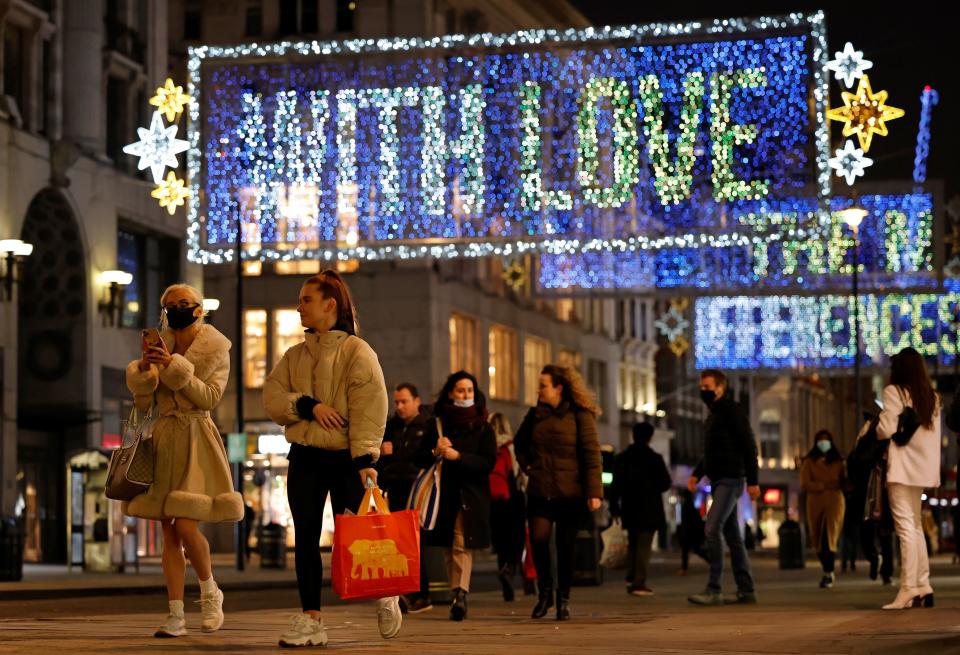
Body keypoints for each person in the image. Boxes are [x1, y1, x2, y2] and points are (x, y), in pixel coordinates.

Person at [262, 270, 398, 646]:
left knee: (356, 539)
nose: (299, 306)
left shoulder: (358, 352)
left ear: (330, 305)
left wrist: (366, 459)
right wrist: (307, 406)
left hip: (344, 461)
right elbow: (273, 396)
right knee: (305, 539)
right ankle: (311, 621)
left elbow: (371, 407)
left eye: (306, 299)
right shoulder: (295, 355)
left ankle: (386, 594)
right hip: (304, 456)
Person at [124, 283, 243, 638]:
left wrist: (175, 368)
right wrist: (146, 374)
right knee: (167, 532)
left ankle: (210, 592)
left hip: (196, 438)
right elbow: (144, 407)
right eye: (170, 305)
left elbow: (209, 397)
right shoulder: (161, 343)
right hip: (164, 439)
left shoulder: (217, 347)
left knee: (186, 525)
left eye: (184, 303)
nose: (177, 309)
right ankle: (175, 614)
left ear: (199, 308)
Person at [514, 364, 603, 621]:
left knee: (566, 547)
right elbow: (519, 444)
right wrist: (528, 465)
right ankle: (545, 595)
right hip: (541, 490)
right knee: (539, 541)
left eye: (543, 385)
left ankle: (563, 599)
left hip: (571, 493)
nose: (539, 390)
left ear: (559, 388)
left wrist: (593, 492)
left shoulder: (580, 415)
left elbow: (591, 454)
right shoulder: (535, 415)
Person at [415, 371, 497, 621]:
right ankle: (455, 592)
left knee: (462, 541)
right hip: (443, 495)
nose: (466, 395)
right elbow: (419, 458)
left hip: (470, 495)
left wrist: (459, 457)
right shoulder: (437, 423)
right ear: (451, 393)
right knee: (449, 546)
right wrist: (434, 450)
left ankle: (461, 593)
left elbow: (488, 462)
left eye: (470, 391)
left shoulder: (484, 426)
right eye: (461, 390)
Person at [686, 369, 760, 607]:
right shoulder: (713, 415)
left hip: (731, 478)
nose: (703, 390)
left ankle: (714, 588)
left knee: (711, 527)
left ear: (720, 388)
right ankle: (746, 589)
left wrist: (753, 481)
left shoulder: (731, 411)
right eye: (701, 386)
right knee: (733, 536)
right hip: (718, 479)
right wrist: (697, 474)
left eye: (707, 386)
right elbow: (711, 453)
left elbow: (749, 446)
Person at [877, 347, 941, 610]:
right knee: (914, 526)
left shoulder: (895, 392)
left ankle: (908, 588)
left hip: (902, 467)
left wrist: (877, 426)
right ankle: (923, 584)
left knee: (905, 528)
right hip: (923, 469)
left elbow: (887, 428)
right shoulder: (932, 397)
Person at [377, 382, 433, 614]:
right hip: (395, 489)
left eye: (404, 401)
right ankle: (406, 593)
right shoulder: (391, 427)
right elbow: (380, 462)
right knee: (399, 544)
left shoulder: (428, 426)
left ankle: (420, 593)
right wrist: (382, 454)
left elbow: (427, 460)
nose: (399, 407)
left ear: (417, 401)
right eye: (397, 402)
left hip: (417, 490)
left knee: (414, 543)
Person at [610, 422, 672, 596]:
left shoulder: (622, 458)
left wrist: (614, 508)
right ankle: (639, 582)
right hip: (650, 509)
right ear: (650, 437)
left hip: (629, 507)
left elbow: (615, 486)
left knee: (633, 543)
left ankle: (631, 576)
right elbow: (665, 483)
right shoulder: (654, 459)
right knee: (644, 547)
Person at [847, 414, 895, 585]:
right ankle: (874, 558)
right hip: (864, 492)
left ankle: (887, 572)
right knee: (867, 533)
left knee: (885, 533)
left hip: (883, 491)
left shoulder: (885, 440)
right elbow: (853, 461)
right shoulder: (863, 441)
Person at [488, 412, 527, 602]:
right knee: (516, 538)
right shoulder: (511, 446)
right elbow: (521, 473)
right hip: (513, 497)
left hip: (494, 500)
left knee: (501, 541)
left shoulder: (486, 446)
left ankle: (503, 570)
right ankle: (510, 568)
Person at [800, 430, 846, 589]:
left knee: (830, 537)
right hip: (815, 502)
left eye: (826, 440)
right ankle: (826, 569)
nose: (823, 443)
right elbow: (805, 483)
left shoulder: (839, 461)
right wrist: (823, 485)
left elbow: (845, 481)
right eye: (820, 440)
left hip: (835, 502)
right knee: (817, 537)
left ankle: (829, 572)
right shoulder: (809, 461)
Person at [677, 489, 709, 575]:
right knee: (694, 550)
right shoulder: (691, 507)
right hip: (692, 533)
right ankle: (711, 561)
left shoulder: (686, 507)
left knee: (692, 550)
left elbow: (687, 522)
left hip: (689, 533)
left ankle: (684, 568)